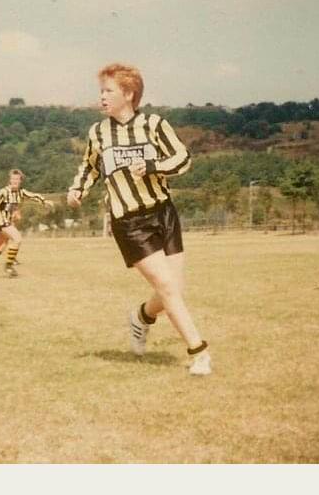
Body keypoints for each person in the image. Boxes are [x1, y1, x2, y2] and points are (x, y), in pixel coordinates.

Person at [66, 62, 212, 375]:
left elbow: (182, 158)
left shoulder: (154, 124)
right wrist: (77, 190)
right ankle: (199, 352)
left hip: (163, 212)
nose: (102, 97)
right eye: (101, 91)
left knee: (173, 289)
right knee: (167, 287)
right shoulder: (98, 132)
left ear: (129, 94)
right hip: (129, 222)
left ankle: (141, 318)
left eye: (108, 91)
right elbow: (91, 166)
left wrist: (154, 167)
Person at [0, 169, 53, 278]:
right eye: (13, 179)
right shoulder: (2, 192)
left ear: (20, 180)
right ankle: (8, 266)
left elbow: (33, 196)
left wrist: (44, 201)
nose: (14, 181)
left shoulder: (20, 192)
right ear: (9, 180)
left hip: (6, 221)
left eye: (17, 179)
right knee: (17, 238)